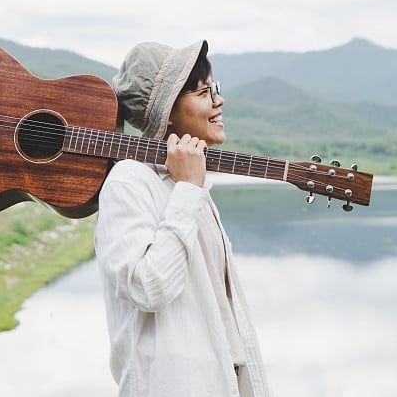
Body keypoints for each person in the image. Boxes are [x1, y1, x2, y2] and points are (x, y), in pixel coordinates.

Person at [94, 40, 272, 397]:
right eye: (204, 92)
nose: (218, 101)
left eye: (215, 89)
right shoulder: (129, 181)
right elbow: (148, 286)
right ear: (168, 112)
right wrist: (189, 190)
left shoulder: (189, 183)